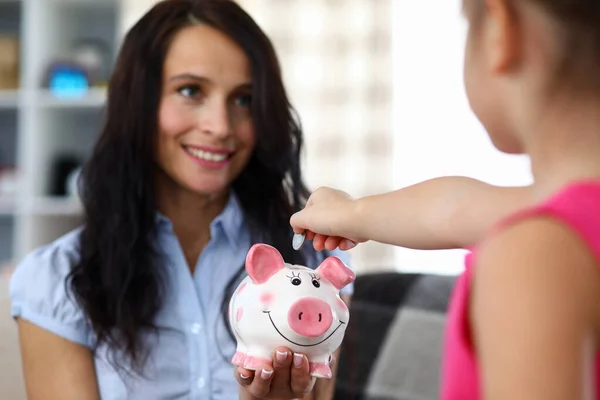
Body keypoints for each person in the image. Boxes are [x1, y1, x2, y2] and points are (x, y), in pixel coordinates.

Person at [9, 1, 352, 399]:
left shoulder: (311, 268)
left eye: (243, 99)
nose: (220, 127)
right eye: (190, 91)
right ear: (138, 103)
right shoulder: (56, 281)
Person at [291, 0, 600, 398]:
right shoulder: (563, 222)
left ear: (499, 31)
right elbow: (452, 209)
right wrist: (351, 213)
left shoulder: (532, 254)